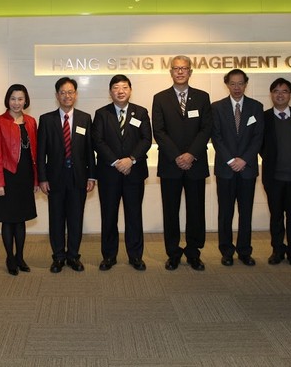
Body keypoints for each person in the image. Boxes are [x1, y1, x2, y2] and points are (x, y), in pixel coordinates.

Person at [151, 56, 212, 271]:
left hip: (195, 164)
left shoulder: (202, 97)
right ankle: (173, 253)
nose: (180, 72)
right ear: (171, 72)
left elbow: (206, 129)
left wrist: (190, 154)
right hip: (170, 164)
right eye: (176, 68)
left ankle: (194, 253)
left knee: (196, 211)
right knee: (171, 211)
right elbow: (158, 131)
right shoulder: (160, 98)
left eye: (184, 68)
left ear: (190, 71)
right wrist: (177, 156)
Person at [92, 74, 152, 271]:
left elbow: (146, 139)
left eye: (124, 87)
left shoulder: (141, 112)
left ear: (130, 90)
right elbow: (98, 141)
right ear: (110, 92)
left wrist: (131, 159)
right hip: (109, 174)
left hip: (134, 173)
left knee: (134, 215)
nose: (120, 91)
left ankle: (135, 256)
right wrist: (117, 162)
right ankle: (109, 256)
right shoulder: (101, 113)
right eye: (116, 87)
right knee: (109, 215)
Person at [38, 77, 96, 273]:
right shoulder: (46, 120)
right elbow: (41, 152)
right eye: (63, 92)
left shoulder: (85, 118)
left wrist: (91, 176)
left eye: (71, 92)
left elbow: (90, 150)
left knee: (75, 219)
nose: (67, 96)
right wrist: (42, 178)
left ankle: (73, 256)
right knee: (56, 219)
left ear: (76, 95)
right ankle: (58, 257)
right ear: (57, 96)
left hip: (79, 178)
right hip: (54, 179)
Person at [211, 69, 264, 267]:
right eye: (233, 83)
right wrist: (230, 160)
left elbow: (259, 137)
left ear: (246, 84)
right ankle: (226, 251)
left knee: (246, 211)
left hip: (247, 168)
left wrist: (244, 160)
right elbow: (216, 136)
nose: (236, 87)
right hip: (225, 169)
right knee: (225, 212)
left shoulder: (256, 107)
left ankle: (244, 251)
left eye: (240, 83)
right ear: (227, 84)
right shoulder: (216, 107)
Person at [0, 84, 39, 275]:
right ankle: (10, 257)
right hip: (7, 176)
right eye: (13, 99)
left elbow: (35, 155)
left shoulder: (31, 121)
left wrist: (35, 180)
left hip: (25, 177)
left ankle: (20, 257)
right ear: (7, 100)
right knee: (8, 220)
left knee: (21, 220)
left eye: (20, 99)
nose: (16, 103)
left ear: (25, 100)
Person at [260, 77, 291, 267]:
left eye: (284, 91)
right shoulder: (263, 117)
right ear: (271, 94)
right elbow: (259, 144)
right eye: (276, 91)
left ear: (290, 95)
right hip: (273, 177)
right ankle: (277, 250)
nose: (280, 95)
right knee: (276, 216)